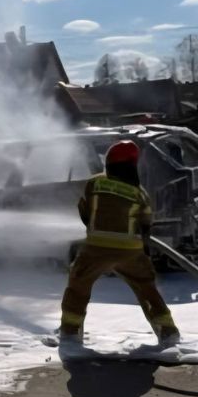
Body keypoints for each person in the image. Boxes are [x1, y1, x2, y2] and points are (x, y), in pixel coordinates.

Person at [60, 140, 180, 346]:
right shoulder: (140, 192)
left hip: (96, 249)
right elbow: (146, 223)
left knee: (78, 286)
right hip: (130, 251)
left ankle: (70, 333)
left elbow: (84, 210)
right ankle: (168, 332)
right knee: (147, 290)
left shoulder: (94, 183)